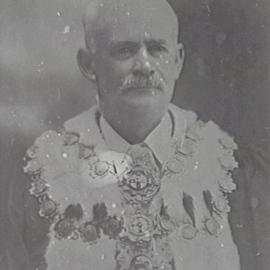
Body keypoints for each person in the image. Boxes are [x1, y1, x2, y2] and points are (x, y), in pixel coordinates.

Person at [2, 0, 240, 269]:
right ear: (89, 64)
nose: (145, 66)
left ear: (178, 60)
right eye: (125, 50)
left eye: (157, 49)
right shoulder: (42, 172)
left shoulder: (228, 166)